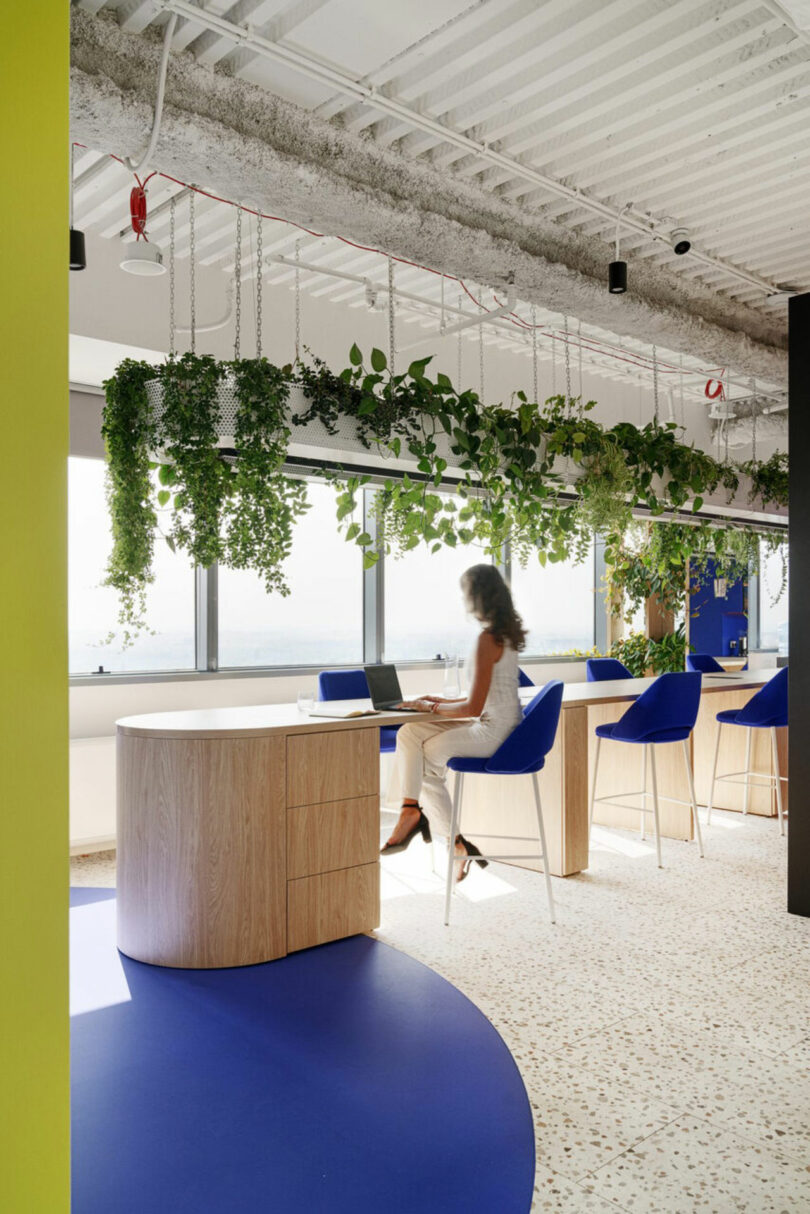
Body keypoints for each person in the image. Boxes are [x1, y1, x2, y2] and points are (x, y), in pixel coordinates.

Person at [381, 563, 525, 882]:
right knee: (409, 734)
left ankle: (448, 837)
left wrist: (428, 705)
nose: (463, 600)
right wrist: (437, 702)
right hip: (502, 724)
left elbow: (474, 707)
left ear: (479, 596)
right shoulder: (505, 635)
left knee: (423, 760)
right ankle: (410, 808)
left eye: (466, 592)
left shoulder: (488, 639)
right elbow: (482, 698)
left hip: (493, 731)